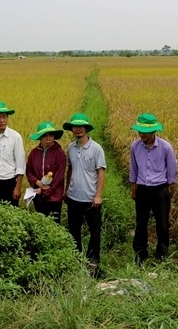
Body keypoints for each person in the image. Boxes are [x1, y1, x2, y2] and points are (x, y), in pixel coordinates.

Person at [129, 113, 177, 265]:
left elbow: (171, 171)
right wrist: (134, 188)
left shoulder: (165, 147)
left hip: (160, 189)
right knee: (141, 222)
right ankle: (140, 253)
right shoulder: (135, 147)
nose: (142, 134)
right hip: (142, 189)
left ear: (154, 131)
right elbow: (134, 169)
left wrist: (165, 190)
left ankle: (161, 255)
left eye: (146, 132)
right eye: (140, 131)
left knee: (162, 223)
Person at [63, 113, 106, 269]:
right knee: (74, 230)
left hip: (91, 198)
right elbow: (70, 169)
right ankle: (76, 258)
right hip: (73, 196)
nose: (78, 129)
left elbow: (101, 172)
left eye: (81, 127)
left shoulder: (96, 149)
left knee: (95, 231)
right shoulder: (71, 148)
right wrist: (66, 190)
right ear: (72, 129)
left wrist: (98, 195)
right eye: (75, 127)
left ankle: (93, 260)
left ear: (86, 129)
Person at [25, 121, 67, 223]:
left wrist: (44, 190)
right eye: (45, 135)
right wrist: (36, 182)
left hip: (54, 197)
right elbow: (29, 170)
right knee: (40, 223)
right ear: (40, 137)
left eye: (51, 135)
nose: (48, 138)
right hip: (38, 196)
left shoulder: (60, 154)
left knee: (53, 224)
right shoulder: (34, 153)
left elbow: (59, 177)